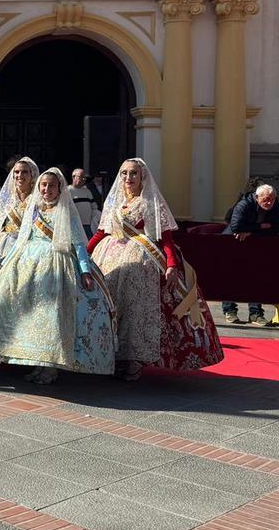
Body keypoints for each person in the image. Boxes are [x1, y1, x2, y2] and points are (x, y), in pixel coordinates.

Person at [88, 158, 224, 381]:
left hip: (142, 265)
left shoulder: (150, 202)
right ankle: (115, 356)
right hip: (111, 260)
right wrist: (83, 254)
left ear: (142, 176)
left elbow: (166, 238)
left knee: (136, 311)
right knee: (112, 307)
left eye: (133, 173)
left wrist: (171, 265)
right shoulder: (115, 202)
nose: (128, 178)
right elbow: (102, 232)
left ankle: (135, 360)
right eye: (124, 173)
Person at [0, 168, 116, 384]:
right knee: (29, 316)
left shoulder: (65, 210)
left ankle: (50, 367)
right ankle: (35, 362)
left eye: (51, 185)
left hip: (57, 266)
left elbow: (78, 243)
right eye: (43, 185)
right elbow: (22, 241)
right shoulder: (33, 210)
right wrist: (3, 263)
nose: (46, 189)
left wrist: (85, 271)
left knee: (52, 316)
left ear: (60, 188)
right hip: (28, 264)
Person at [220, 183, 279, 325]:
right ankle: (230, 311)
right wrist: (261, 227)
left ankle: (255, 314)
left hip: (255, 245)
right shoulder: (244, 205)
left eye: (272, 199)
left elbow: (275, 228)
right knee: (231, 276)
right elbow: (236, 226)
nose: (269, 203)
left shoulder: (276, 206)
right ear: (257, 197)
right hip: (233, 243)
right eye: (266, 199)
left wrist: (250, 232)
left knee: (255, 277)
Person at [0, 157, 40, 269]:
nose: (20, 175)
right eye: (17, 172)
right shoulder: (7, 197)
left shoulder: (38, 199)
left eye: (24, 172)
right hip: (4, 243)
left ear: (32, 175)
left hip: (29, 245)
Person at [68, 168, 102, 238]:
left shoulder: (87, 191)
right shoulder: (67, 191)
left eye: (84, 177)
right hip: (74, 226)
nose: (84, 179)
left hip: (88, 226)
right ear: (73, 177)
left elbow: (94, 207)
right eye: (81, 177)